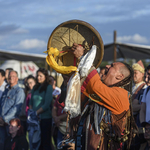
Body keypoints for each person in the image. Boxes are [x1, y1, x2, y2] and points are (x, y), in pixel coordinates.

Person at [68, 43, 135, 150]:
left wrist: (83, 57)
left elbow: (95, 86)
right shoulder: (101, 93)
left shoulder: (121, 95)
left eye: (112, 66)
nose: (107, 66)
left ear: (119, 76)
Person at [0, 70, 25, 150]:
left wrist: (4, 119)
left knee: (11, 145)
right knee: (2, 144)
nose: (11, 78)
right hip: (1, 123)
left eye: (13, 76)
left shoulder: (19, 91)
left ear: (17, 78)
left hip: (11, 124)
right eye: (9, 76)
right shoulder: (6, 90)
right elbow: (1, 105)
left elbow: (16, 108)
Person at [29, 68, 53, 150]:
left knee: (45, 143)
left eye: (41, 76)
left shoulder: (48, 87)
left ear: (45, 77)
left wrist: (36, 113)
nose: (38, 77)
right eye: (37, 75)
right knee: (35, 142)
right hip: (35, 119)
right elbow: (31, 102)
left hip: (45, 119)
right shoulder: (35, 87)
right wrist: (33, 113)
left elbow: (46, 104)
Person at [52, 74, 69, 146]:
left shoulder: (74, 96)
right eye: (64, 80)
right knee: (59, 146)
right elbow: (54, 108)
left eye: (66, 80)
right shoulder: (60, 95)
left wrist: (58, 118)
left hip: (68, 126)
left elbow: (71, 112)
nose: (66, 82)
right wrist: (55, 118)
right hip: (59, 125)